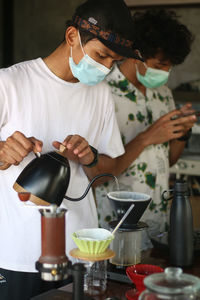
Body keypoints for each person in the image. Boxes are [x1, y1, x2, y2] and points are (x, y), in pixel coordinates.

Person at [0, 0, 142, 299]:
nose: (105, 69)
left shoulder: (101, 95)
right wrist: (2, 151)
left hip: (82, 252)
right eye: (101, 55)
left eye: (113, 61)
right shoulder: (9, 82)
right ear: (72, 37)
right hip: (17, 254)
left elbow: (107, 173)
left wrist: (90, 157)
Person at [95, 9, 196, 246]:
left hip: (158, 221)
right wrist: (146, 137)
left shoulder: (163, 94)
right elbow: (97, 173)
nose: (163, 73)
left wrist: (182, 132)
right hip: (116, 225)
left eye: (168, 67)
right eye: (159, 65)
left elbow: (166, 161)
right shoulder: (101, 93)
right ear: (134, 54)